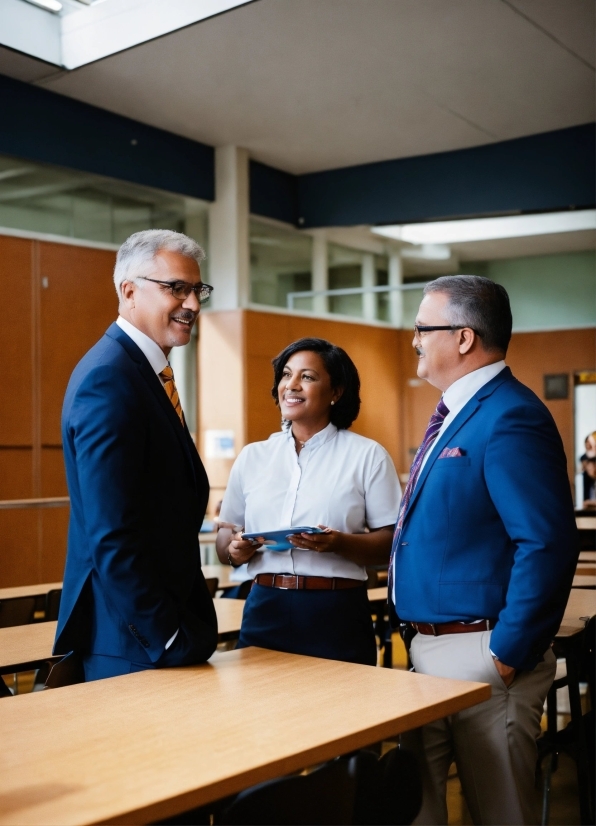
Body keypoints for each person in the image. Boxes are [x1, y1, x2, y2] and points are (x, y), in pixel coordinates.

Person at [392, 275, 577, 825]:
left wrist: (505, 655)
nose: (416, 340)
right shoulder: (455, 413)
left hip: (482, 654)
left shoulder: (509, 415)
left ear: (465, 338)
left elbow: (545, 542)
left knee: (500, 815)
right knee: (422, 813)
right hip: (426, 651)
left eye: (424, 327)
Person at [53, 229, 218, 682]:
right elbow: (112, 532)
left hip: (149, 635)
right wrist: (164, 635)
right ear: (128, 291)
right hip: (131, 642)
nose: (193, 305)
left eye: (197, 290)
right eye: (176, 289)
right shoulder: (109, 378)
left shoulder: (142, 371)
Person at [216, 337, 401, 666]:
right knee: (260, 713)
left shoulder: (367, 455)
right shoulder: (253, 457)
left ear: (336, 392)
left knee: (344, 714)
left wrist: (337, 543)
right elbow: (224, 535)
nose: (292, 385)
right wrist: (233, 549)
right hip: (264, 606)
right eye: (286, 375)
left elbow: (393, 543)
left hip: (335, 611)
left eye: (308, 377)